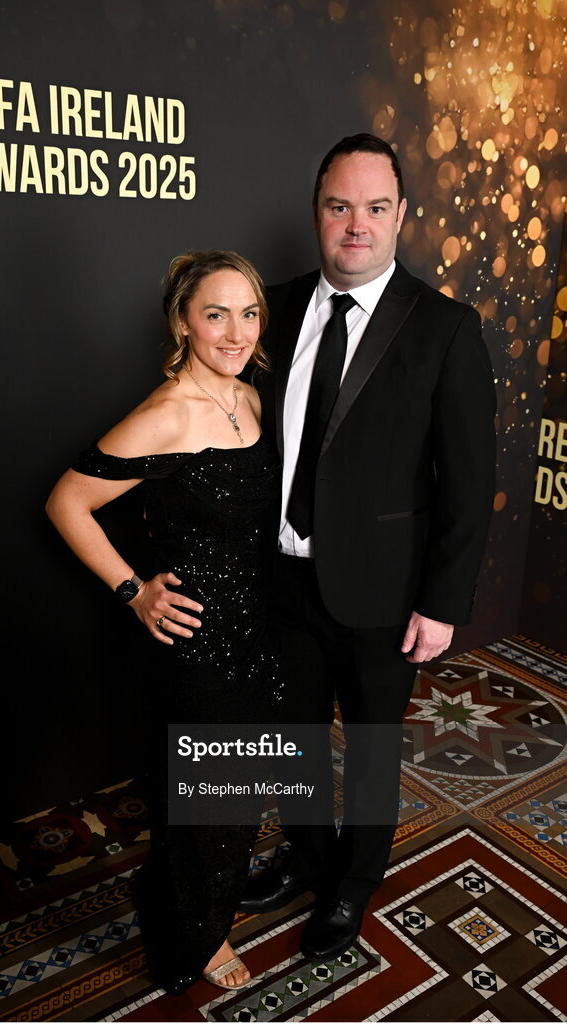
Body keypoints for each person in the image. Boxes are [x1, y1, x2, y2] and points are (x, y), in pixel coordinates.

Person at [240, 133, 496, 962]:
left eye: (375, 208)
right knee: (297, 741)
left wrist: (443, 603)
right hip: (280, 581)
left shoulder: (447, 328)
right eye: (340, 206)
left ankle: (354, 886)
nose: (357, 225)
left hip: (387, 594)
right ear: (317, 213)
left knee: (373, 750)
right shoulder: (267, 311)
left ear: (401, 217)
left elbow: (468, 482)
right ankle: (310, 860)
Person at [45, 250, 283, 995]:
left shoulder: (249, 398)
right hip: (198, 642)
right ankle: (193, 939)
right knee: (210, 802)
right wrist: (133, 591)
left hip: (257, 628)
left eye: (248, 313)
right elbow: (65, 503)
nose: (236, 331)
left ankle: (185, 900)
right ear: (183, 322)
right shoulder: (165, 414)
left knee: (240, 789)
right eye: (216, 314)